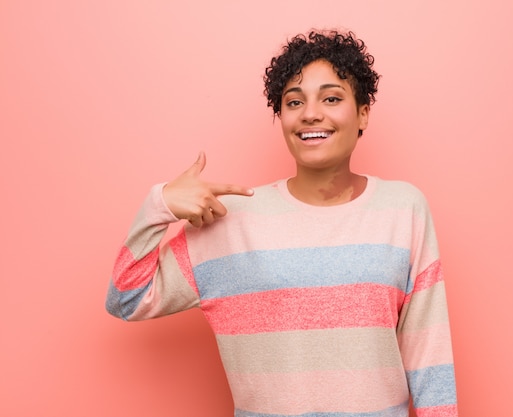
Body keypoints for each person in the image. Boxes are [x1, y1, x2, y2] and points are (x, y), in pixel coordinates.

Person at [106, 30, 458, 417]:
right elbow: (127, 300)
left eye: (332, 98)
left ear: (362, 114)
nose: (311, 113)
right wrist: (160, 206)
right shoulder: (230, 221)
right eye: (294, 101)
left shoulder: (403, 209)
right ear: (282, 117)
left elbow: (429, 353)